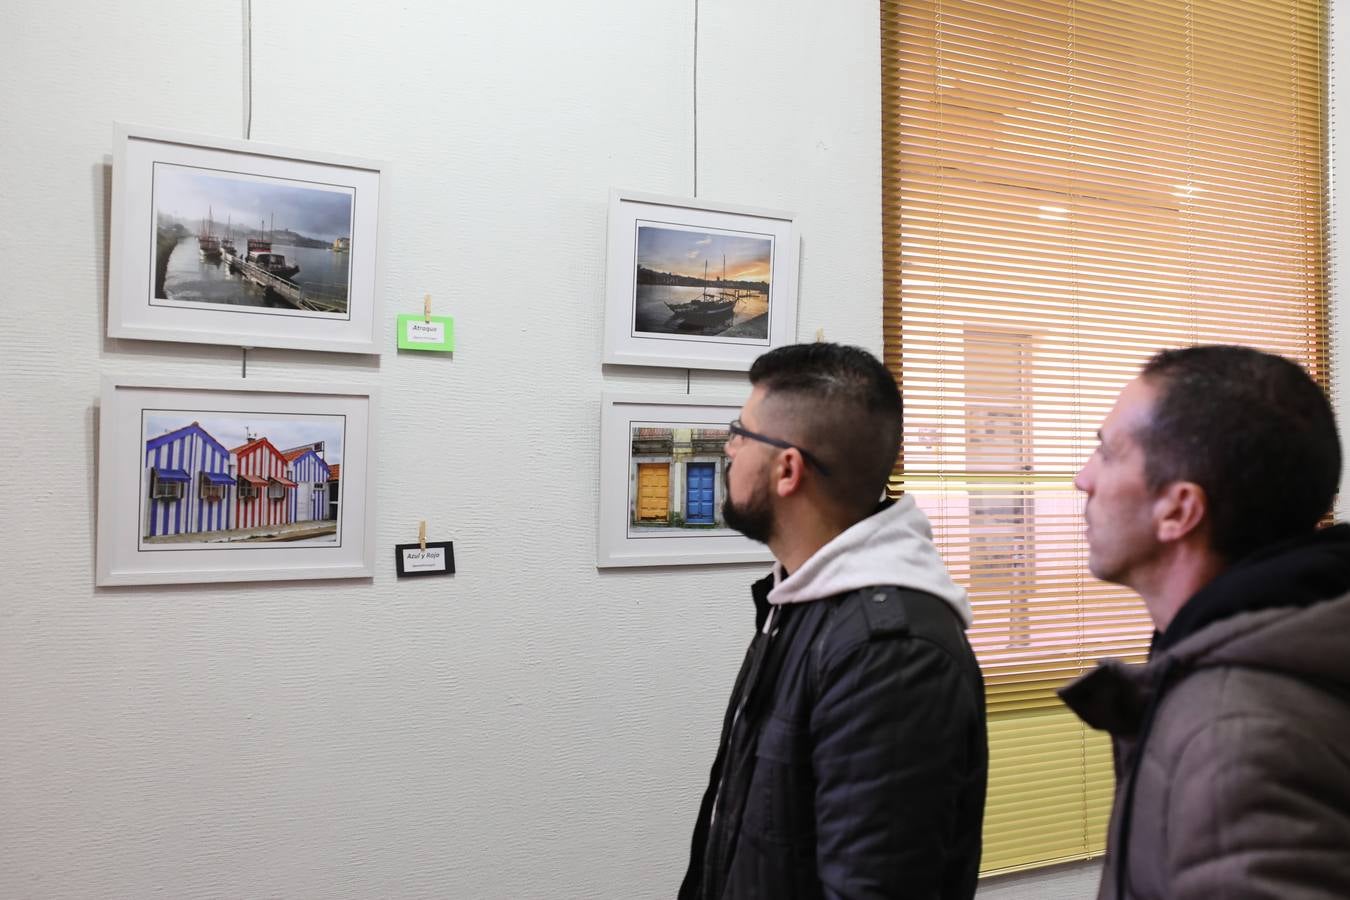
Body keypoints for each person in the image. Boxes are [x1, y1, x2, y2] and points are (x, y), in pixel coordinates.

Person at [679, 343, 988, 900]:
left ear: (788, 469)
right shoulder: (801, 601)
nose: (729, 448)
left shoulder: (891, 654)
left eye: (740, 433)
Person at [1060, 345, 1350, 899]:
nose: (1082, 478)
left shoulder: (1237, 743)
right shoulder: (1224, 667)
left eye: (1108, 453)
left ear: (1179, 511)